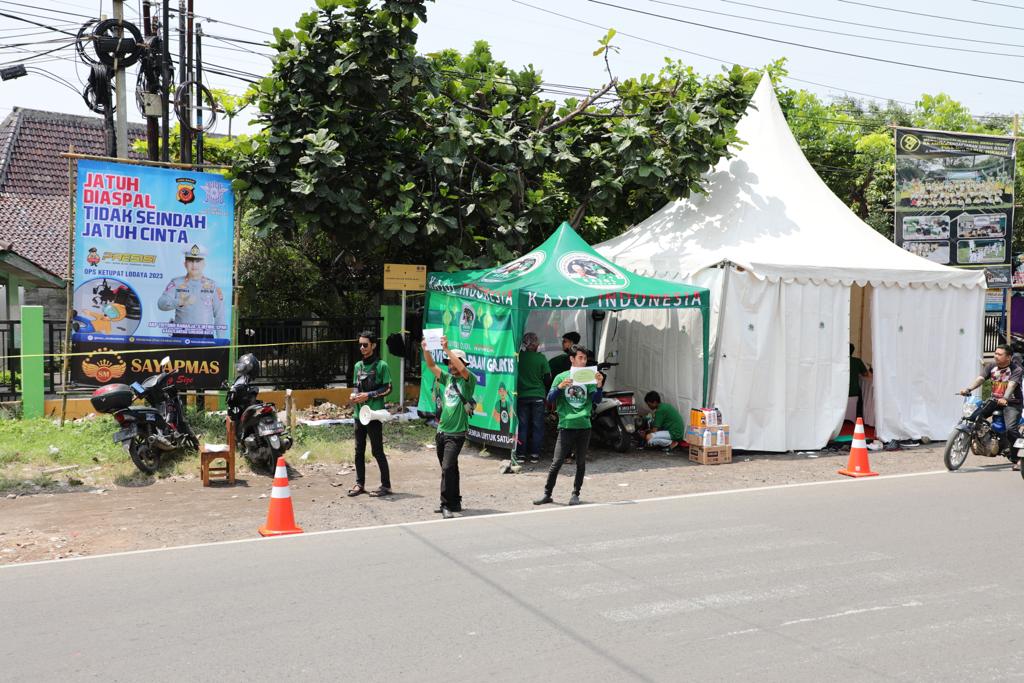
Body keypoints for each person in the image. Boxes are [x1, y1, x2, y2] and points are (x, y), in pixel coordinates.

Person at [534, 344, 604, 507]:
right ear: (572, 359)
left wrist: (599, 385)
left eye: (585, 358)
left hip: (584, 425)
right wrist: (560, 387)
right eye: (580, 358)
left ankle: (575, 494)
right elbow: (549, 399)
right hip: (566, 425)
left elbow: (597, 400)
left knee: (580, 463)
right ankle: (547, 494)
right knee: (556, 462)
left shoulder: (588, 377)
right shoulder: (561, 377)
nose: (583, 361)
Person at [422, 335, 477, 519]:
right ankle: (455, 501)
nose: (451, 365)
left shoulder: (469, 380)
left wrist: (446, 349)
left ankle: (445, 504)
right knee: (450, 469)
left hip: (456, 434)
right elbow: (431, 366)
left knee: (447, 468)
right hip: (441, 431)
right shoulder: (447, 378)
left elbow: (462, 369)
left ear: (462, 363)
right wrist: (426, 350)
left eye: (454, 362)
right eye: (449, 362)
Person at [346, 331, 393, 497]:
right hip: (359, 415)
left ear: (373, 345)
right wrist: (354, 395)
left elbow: (388, 388)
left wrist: (369, 395)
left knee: (377, 451)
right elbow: (356, 386)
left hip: (374, 415)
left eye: (365, 344)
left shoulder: (382, 366)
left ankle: (386, 486)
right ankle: (360, 484)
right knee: (358, 451)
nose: (362, 347)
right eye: (360, 344)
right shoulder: (358, 366)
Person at [961, 343, 1023, 467]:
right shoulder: (992, 366)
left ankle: (1018, 458)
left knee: (1011, 429)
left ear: (1008, 357)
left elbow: (1011, 385)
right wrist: (968, 389)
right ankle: (985, 440)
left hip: (1012, 403)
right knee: (974, 416)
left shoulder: (1016, 369)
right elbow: (981, 378)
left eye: (999, 354)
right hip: (994, 401)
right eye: (995, 353)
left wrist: (1005, 398)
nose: (995, 356)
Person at [157, 243, 225, 338]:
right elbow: (161, 304)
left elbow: (220, 316)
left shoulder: (213, 286)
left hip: (205, 338)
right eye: (190, 261)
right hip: (180, 337)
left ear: (204, 264)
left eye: (198, 261)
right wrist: (180, 301)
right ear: (185, 264)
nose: (194, 265)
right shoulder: (176, 283)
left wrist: (221, 341)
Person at [516, 332, 550, 463]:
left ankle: (521, 454)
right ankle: (535, 454)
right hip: (538, 396)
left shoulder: (519, 357)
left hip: (522, 396)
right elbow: (547, 378)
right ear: (535, 345)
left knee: (523, 426)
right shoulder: (541, 358)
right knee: (537, 426)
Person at [849, 343, 871, 420]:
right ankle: (859, 415)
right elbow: (866, 374)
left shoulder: (839, 361)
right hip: (853, 391)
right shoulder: (857, 361)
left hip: (840, 391)